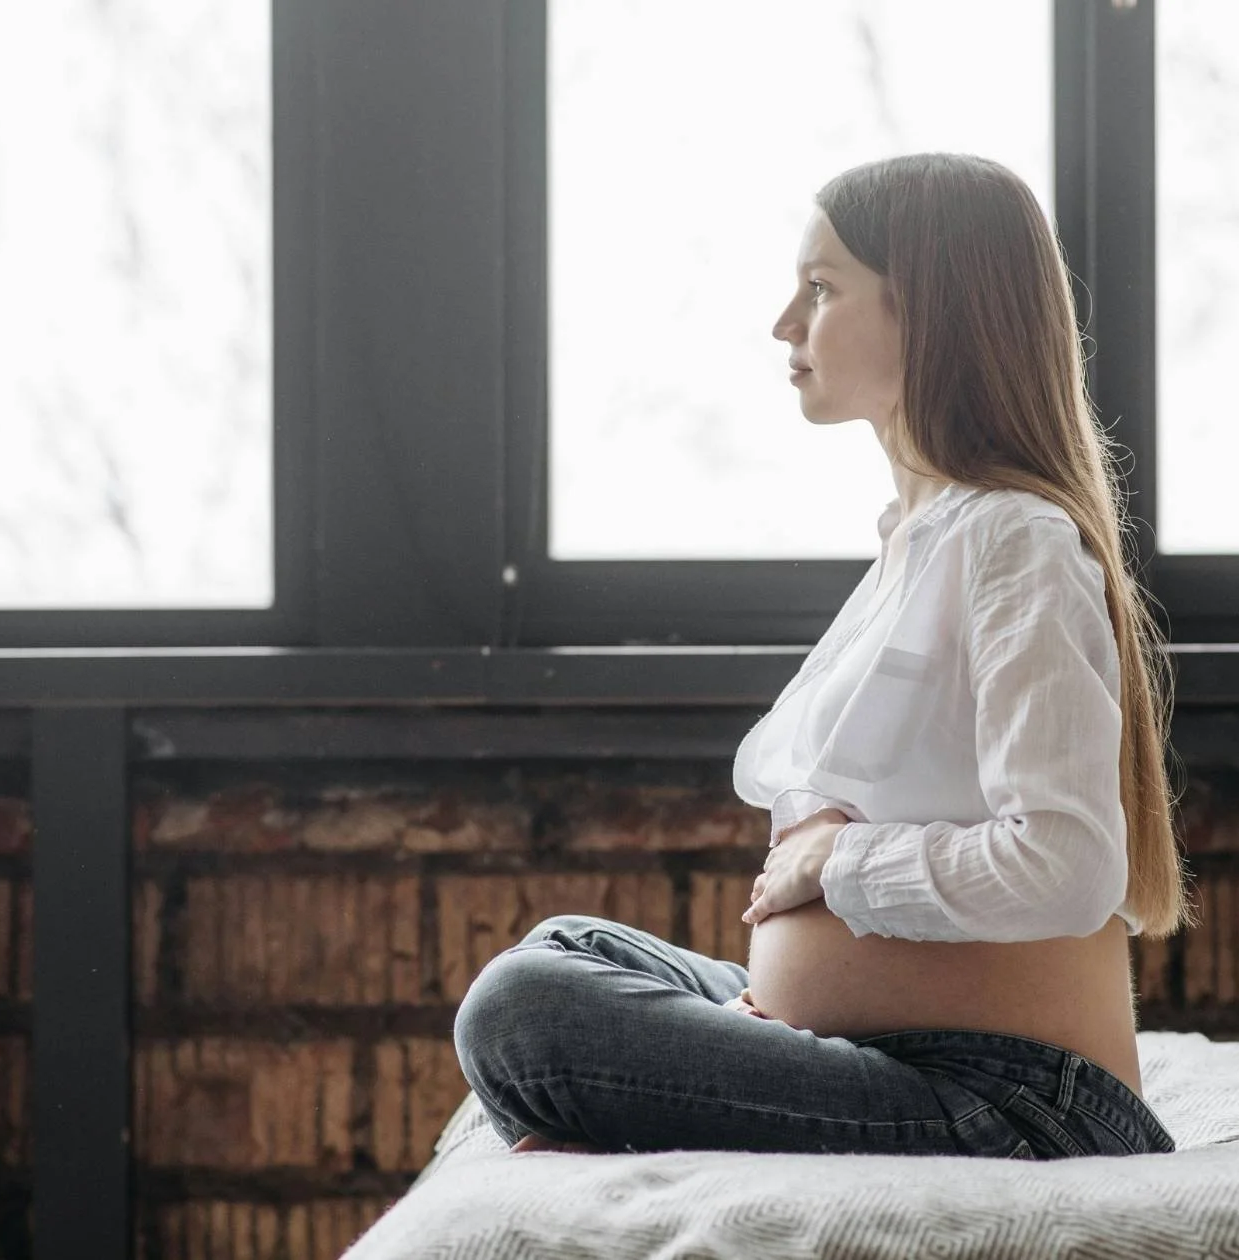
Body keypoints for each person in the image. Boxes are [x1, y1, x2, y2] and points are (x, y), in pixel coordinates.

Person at [452, 153, 1189, 1162]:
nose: (783, 324)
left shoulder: (1011, 539)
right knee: (568, 949)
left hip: (1013, 1099)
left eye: (819, 288)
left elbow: (1063, 866)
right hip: (890, 1052)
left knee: (523, 1009)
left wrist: (833, 859)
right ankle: (685, 1086)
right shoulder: (919, 540)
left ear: (925, 312)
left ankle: (625, 1115)